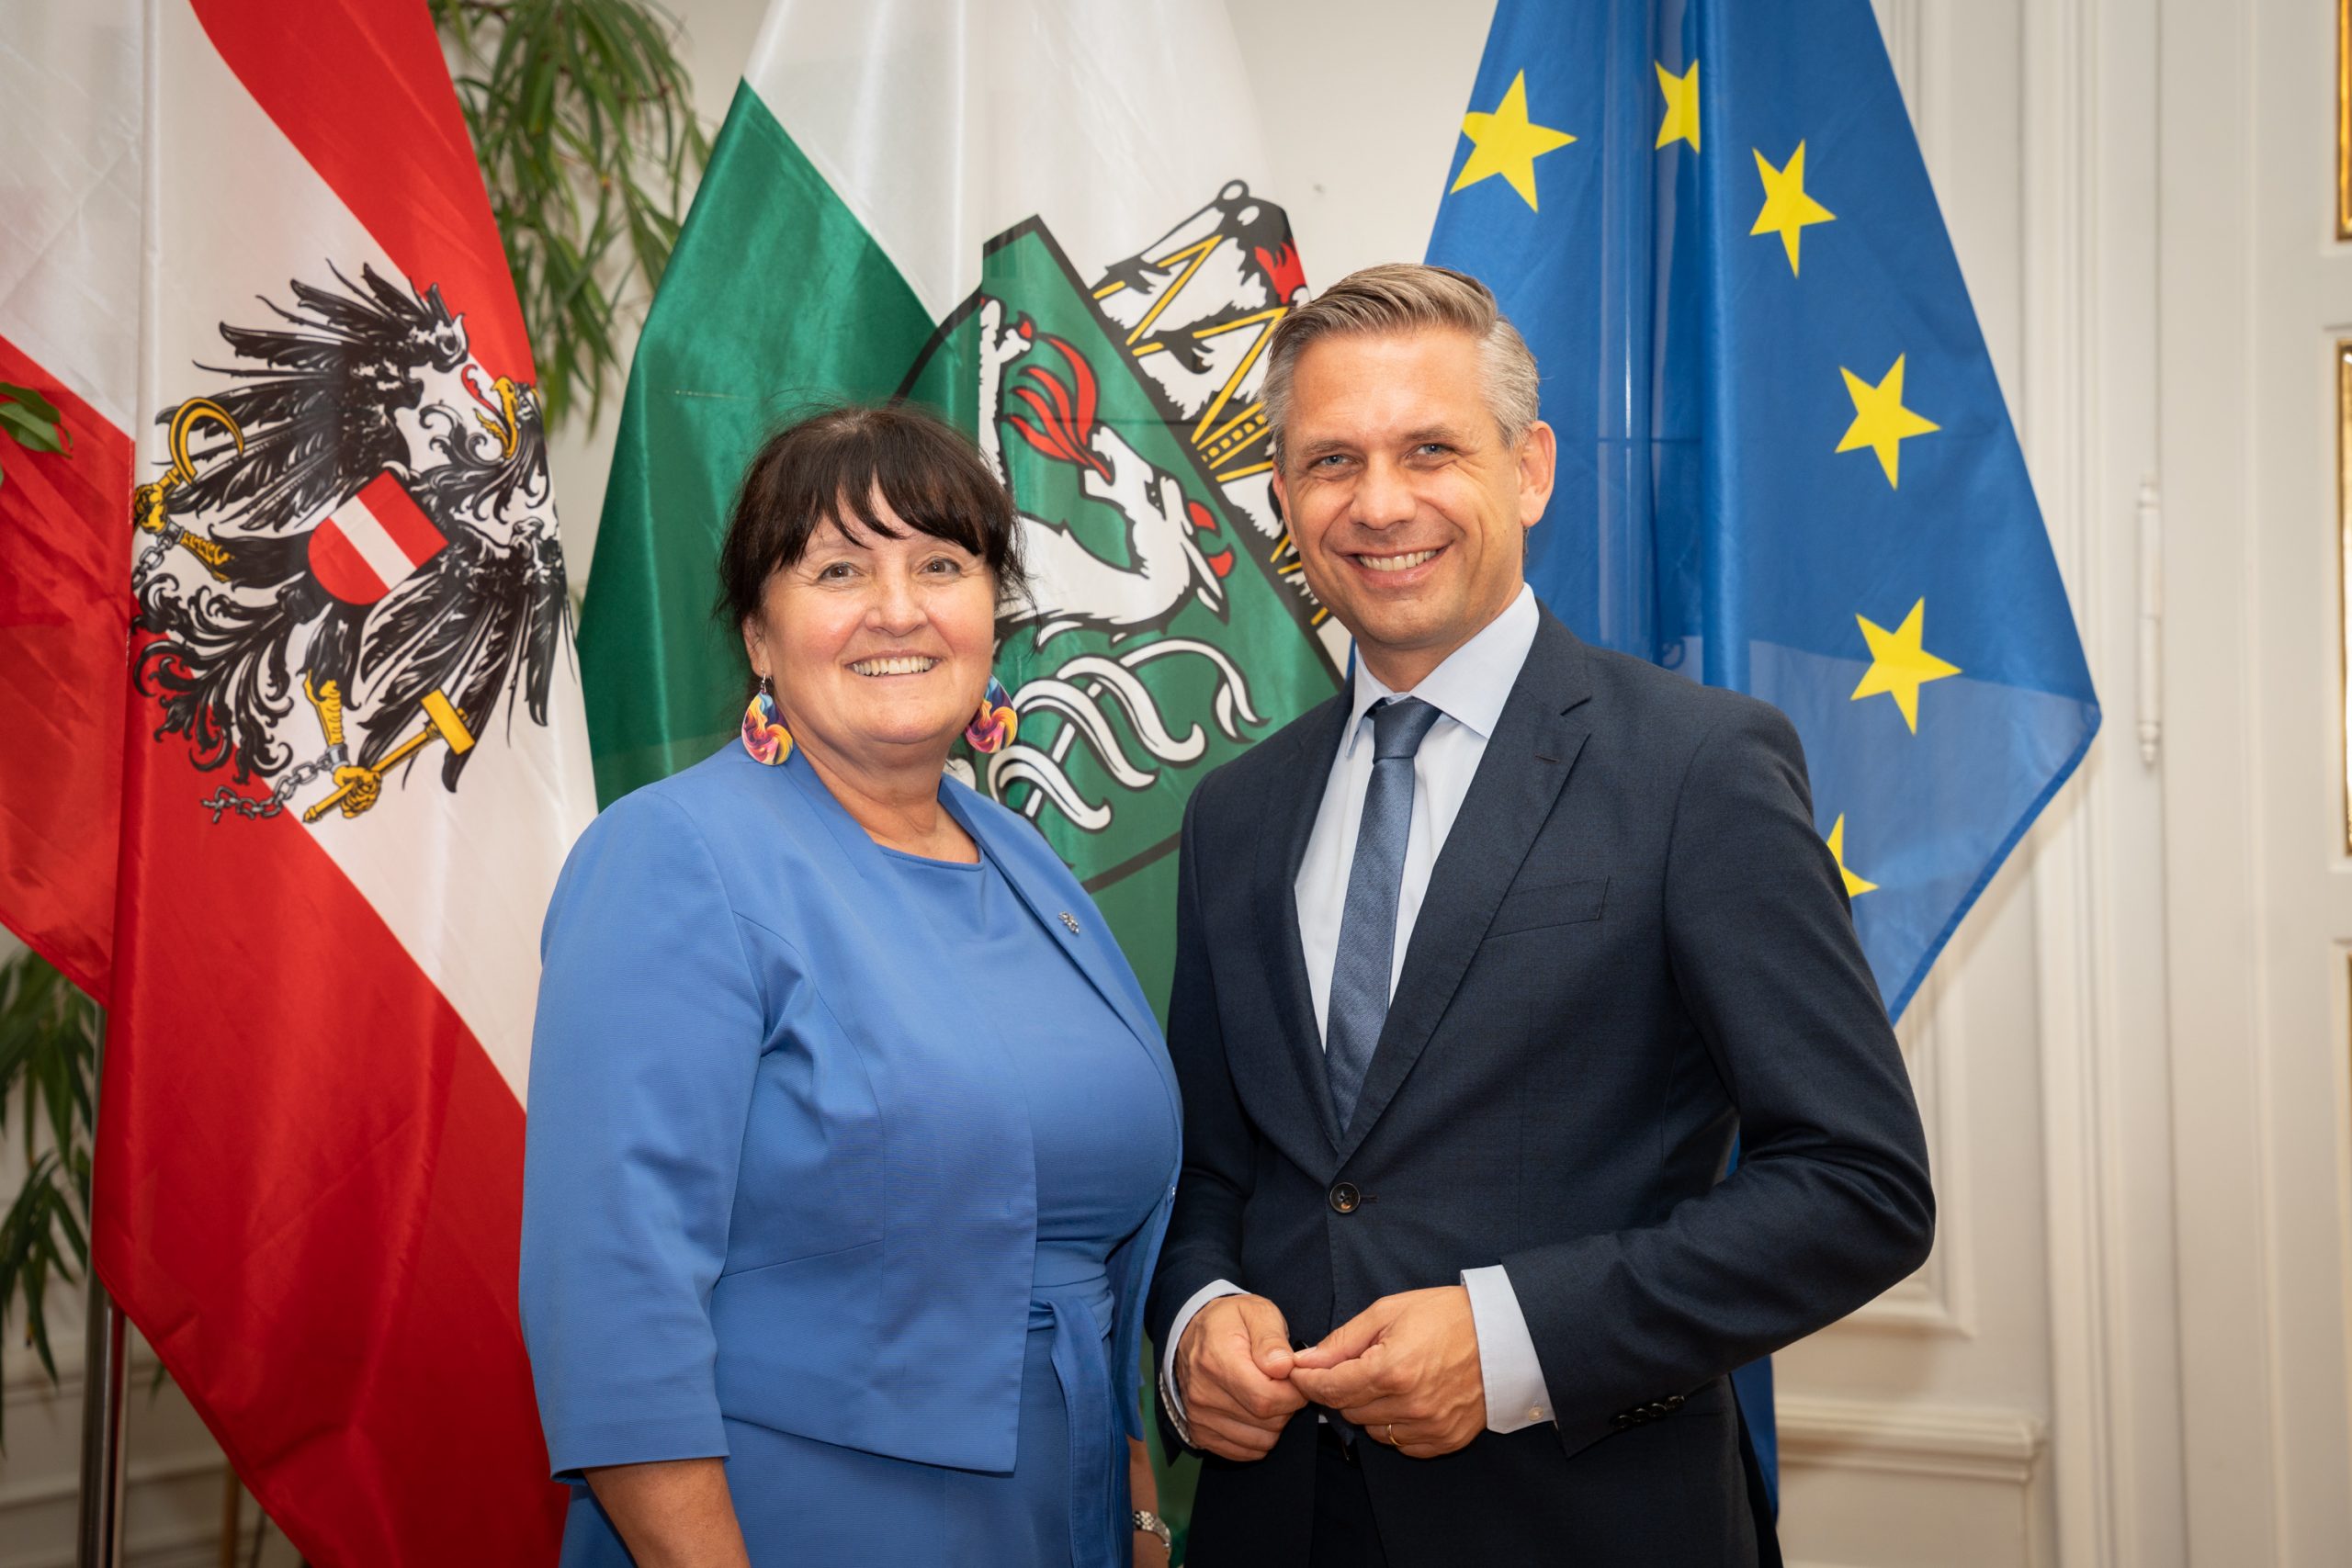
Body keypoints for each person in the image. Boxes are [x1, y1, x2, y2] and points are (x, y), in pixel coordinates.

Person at [1147, 265, 1935, 1566]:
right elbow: (1212, 1174)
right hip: (1274, 1526)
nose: (1379, 502)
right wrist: (1193, 1322)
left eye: (1430, 449)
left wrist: (1512, 1340)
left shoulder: (1697, 765)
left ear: (1529, 469)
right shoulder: (1236, 809)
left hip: (1589, 1521)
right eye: (1332, 460)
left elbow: (1860, 1187)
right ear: (1282, 500)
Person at [521, 404, 1181, 1567]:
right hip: (793, 1516)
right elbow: (614, 1298)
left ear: (993, 612)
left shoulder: (1021, 858)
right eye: (838, 570)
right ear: (759, 637)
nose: (898, 608)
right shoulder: (675, 856)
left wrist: (1132, 1507)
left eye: (942, 565)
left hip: (1062, 1512)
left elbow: (1089, 1253)